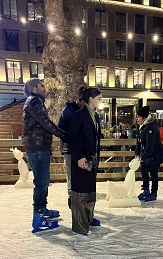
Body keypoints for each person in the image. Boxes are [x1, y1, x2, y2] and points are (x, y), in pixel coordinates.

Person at [22, 78, 66, 233]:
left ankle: (43, 209)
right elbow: (45, 122)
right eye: (41, 85)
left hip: (39, 146)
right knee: (41, 181)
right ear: (34, 88)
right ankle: (38, 217)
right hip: (37, 146)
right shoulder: (34, 101)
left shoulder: (35, 101)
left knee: (44, 180)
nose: (44, 87)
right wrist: (64, 135)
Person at [67, 87, 102, 235]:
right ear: (90, 99)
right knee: (80, 194)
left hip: (92, 161)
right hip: (81, 160)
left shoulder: (96, 116)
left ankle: (87, 220)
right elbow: (71, 139)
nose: (101, 101)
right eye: (99, 98)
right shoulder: (78, 116)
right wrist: (78, 157)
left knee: (90, 193)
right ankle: (79, 226)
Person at [58, 86, 86, 209]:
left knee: (81, 177)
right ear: (78, 99)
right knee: (71, 175)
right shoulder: (68, 111)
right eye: (84, 101)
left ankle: (80, 201)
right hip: (69, 150)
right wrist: (71, 140)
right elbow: (60, 129)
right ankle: (72, 199)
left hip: (82, 151)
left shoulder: (85, 111)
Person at [135, 106, 163, 202]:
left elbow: (150, 146)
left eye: (139, 117)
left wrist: (143, 157)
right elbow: (139, 142)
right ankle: (146, 190)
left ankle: (154, 192)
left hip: (156, 155)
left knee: (153, 174)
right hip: (148, 154)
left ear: (144, 118)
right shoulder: (142, 127)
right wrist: (137, 154)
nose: (137, 119)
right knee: (144, 172)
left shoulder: (152, 127)